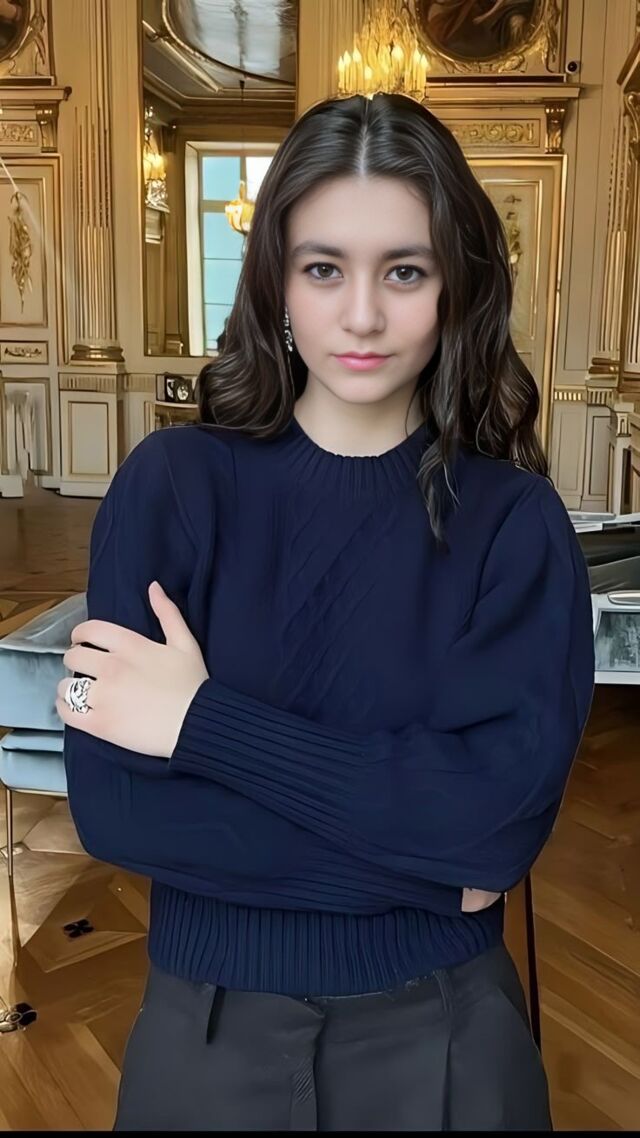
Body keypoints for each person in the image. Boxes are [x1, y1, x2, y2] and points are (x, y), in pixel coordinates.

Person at [59, 92, 595, 1132]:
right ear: (276, 281)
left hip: (449, 1043)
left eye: (404, 271)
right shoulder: (172, 486)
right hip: (204, 1041)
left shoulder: (514, 523)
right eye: (323, 269)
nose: (361, 316)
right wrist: (433, 874)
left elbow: (493, 827)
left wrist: (202, 725)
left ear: (455, 286)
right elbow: (115, 809)